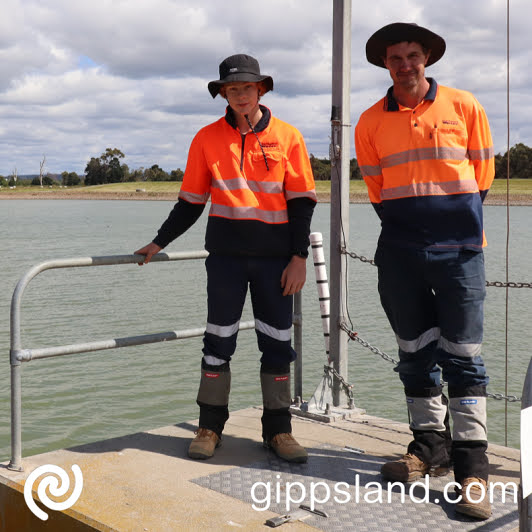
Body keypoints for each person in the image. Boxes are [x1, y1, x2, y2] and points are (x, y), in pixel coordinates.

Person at [135, 54, 316, 464]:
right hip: (226, 262)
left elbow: (302, 202)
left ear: (261, 90)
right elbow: (191, 202)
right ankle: (210, 426)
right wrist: (158, 242)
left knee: (277, 344)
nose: (240, 95)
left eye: (247, 88)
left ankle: (279, 431)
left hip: (276, 264)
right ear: (223, 93)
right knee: (218, 342)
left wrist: (299, 257)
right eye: (231, 89)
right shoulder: (205, 138)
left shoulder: (288, 137)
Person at [354, 23, 494, 519]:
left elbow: (482, 176)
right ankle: (429, 447)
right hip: (400, 252)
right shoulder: (369, 121)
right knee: (413, 354)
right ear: (385, 64)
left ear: (427, 57)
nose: (405, 65)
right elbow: (376, 189)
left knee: (464, 359)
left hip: (459, 253)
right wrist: (412, 230)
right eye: (395, 58)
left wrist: (451, 226)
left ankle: (472, 470)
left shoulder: (464, 106)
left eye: (413, 55)